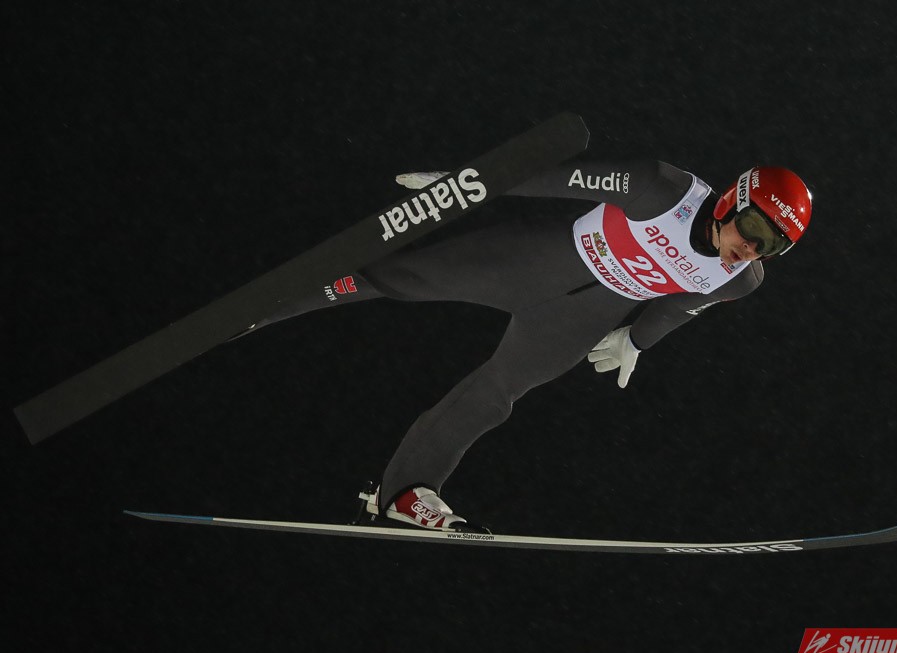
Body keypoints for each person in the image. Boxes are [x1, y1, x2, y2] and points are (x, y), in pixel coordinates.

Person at [235, 160, 813, 533]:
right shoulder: (661, 189)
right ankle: (267, 309)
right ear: (730, 201)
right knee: (403, 277)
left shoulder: (741, 279)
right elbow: (556, 176)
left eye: (771, 247)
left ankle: (405, 493)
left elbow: (681, 304)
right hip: (536, 261)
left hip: (578, 318)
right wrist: (461, 184)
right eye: (753, 231)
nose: (751, 250)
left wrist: (637, 339)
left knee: (498, 393)